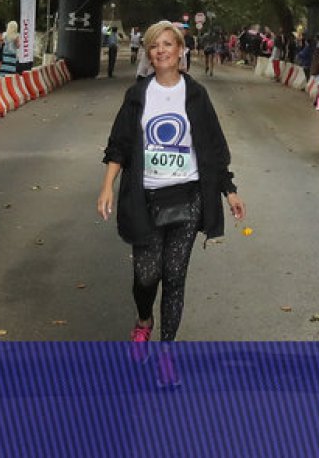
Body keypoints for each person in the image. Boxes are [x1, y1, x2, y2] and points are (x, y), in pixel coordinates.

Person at [96, 20, 245, 383]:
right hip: (144, 198)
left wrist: (229, 190)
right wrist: (107, 186)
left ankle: (167, 354)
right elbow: (119, 145)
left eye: (167, 44)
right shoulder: (138, 95)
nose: (160, 50)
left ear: (180, 50)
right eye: (154, 45)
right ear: (149, 54)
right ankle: (144, 320)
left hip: (188, 197)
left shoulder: (196, 95)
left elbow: (213, 148)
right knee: (147, 275)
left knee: (175, 277)